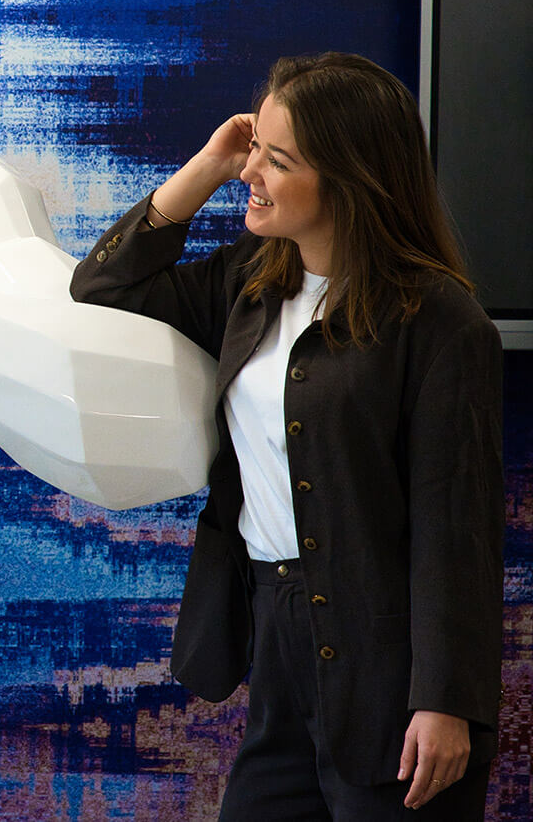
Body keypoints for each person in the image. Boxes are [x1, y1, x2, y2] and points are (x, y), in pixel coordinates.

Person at [71, 52, 503, 819]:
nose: (252, 174)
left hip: (392, 661)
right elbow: (104, 286)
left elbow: (456, 528)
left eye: (278, 159)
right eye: (254, 150)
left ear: (350, 178)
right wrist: (207, 164)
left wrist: (445, 700)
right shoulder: (250, 280)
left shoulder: (440, 322)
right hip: (275, 635)